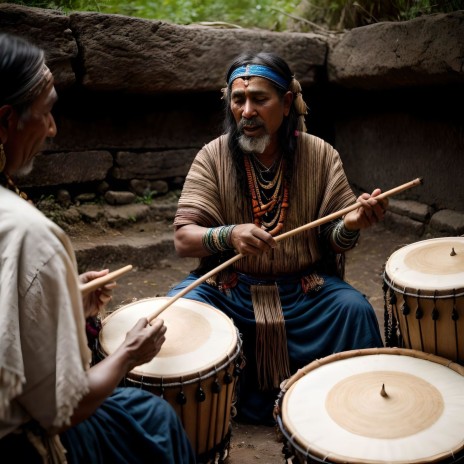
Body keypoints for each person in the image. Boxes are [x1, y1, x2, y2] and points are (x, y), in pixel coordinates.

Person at [0, 33, 195, 463]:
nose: (52, 129)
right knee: (152, 418)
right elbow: (59, 410)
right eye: (47, 112)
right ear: (6, 120)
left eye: (259, 100)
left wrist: (63, 296)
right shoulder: (30, 234)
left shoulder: (316, 156)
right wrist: (127, 355)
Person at [167, 51, 387, 426]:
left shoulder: (320, 154)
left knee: (355, 311)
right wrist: (229, 235)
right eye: (239, 99)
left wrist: (350, 224)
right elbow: (184, 239)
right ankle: (196, 418)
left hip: (306, 294)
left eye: (259, 99)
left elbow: (334, 240)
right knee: (174, 313)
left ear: (286, 103)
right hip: (229, 292)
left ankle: (352, 414)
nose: (247, 111)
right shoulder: (213, 156)